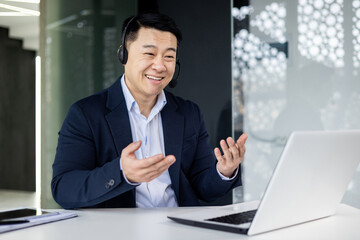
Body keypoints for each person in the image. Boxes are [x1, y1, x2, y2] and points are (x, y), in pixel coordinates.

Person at [51, 12, 248, 209]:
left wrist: (224, 172)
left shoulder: (188, 113)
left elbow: (204, 188)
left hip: (179, 228)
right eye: (149, 54)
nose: (160, 65)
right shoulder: (86, 114)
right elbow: (64, 188)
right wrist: (121, 172)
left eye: (169, 56)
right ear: (123, 55)